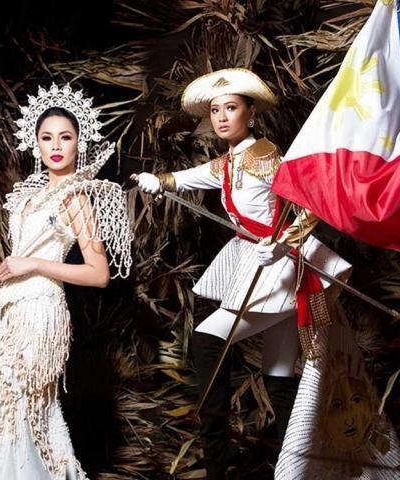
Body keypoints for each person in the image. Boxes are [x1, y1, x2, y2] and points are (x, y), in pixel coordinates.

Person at [135, 68, 351, 479]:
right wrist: (159, 180)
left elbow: (310, 203)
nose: (221, 117)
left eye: (231, 108)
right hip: (257, 260)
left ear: (250, 113)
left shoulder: (265, 156)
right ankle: (296, 469)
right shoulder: (228, 162)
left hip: (278, 265)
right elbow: (191, 178)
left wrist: (285, 241)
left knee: (207, 339)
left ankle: (219, 463)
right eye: (215, 110)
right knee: (278, 374)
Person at [0, 83, 133, 479]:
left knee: (6, 415)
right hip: (13, 316)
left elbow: (98, 274)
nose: (56, 145)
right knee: (16, 421)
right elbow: (20, 271)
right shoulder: (30, 197)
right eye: (47, 137)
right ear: (35, 144)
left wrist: (32, 262)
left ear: (78, 143)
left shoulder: (76, 198)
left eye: (65, 137)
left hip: (41, 321)